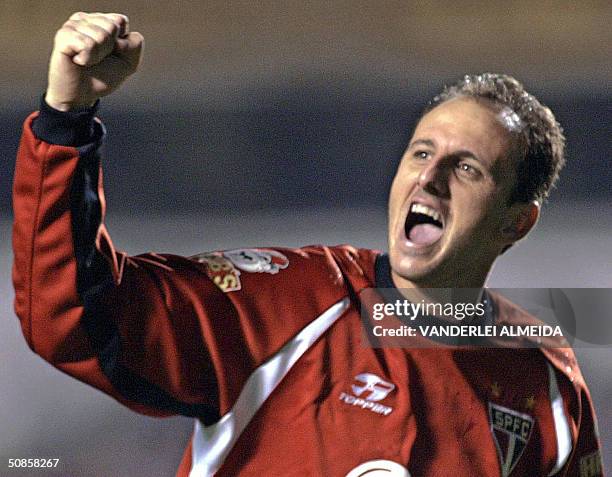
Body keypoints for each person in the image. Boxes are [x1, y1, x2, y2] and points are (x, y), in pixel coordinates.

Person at [12, 12, 604, 477]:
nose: (430, 177)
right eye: (422, 153)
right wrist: (67, 120)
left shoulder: (545, 382)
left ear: (516, 223)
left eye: (468, 168)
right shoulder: (289, 305)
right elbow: (72, 317)